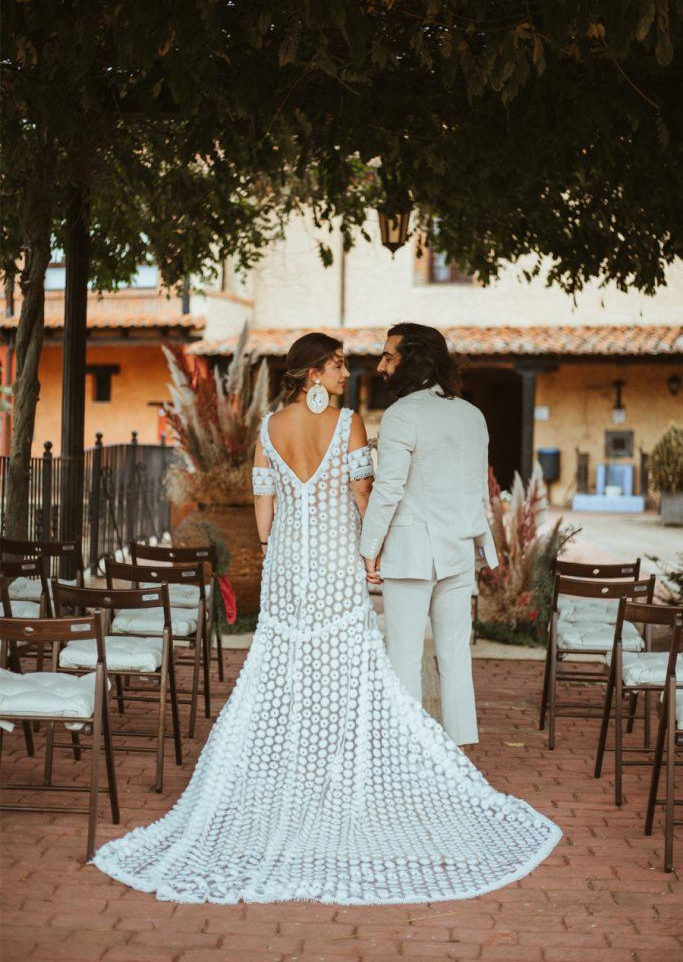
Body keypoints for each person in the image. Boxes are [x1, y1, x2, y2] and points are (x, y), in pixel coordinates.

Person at [92, 331, 561, 905]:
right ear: (313, 372)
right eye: (338, 364)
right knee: (354, 661)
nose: (348, 372)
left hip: (289, 559)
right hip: (341, 556)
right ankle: (377, 770)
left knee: (284, 661)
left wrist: (270, 547)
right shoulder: (352, 425)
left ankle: (296, 772)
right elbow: (365, 491)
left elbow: (263, 501)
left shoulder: (268, 427)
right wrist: (371, 547)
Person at [360, 322, 497, 746]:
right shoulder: (472, 414)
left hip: (411, 551)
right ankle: (458, 751)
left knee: (403, 655)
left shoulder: (402, 414)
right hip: (457, 549)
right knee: (455, 657)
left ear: (413, 358)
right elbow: (479, 491)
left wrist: (369, 549)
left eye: (388, 356)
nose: (381, 366)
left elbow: (387, 489)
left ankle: (407, 753)